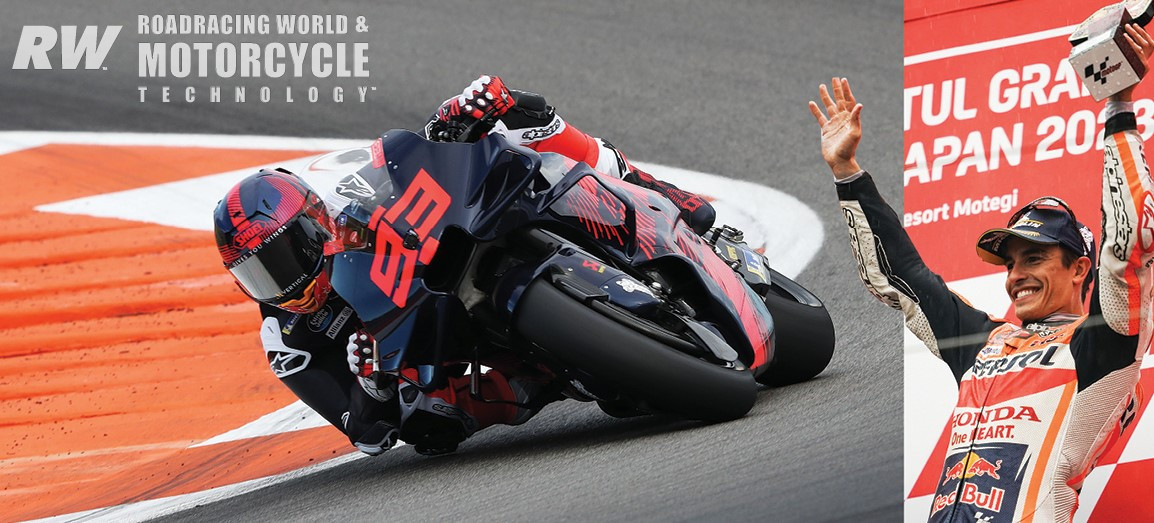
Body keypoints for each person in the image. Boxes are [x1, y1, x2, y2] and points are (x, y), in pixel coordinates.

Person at [213, 75, 715, 457]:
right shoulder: (287, 338)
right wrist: (372, 382)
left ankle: (662, 196)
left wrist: (451, 126)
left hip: (443, 253)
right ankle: (556, 369)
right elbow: (365, 433)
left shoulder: (340, 193)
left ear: (312, 226)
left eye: (283, 258)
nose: (281, 284)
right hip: (440, 348)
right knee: (430, 424)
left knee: (526, 124)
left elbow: (404, 158)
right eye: (257, 273)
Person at [808, 24, 1154, 522]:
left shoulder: (1101, 348)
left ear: (1081, 267)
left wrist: (1118, 108)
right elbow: (901, 278)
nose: (1016, 276)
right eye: (1011, 263)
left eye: (1034, 258)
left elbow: (1130, 246)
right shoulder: (985, 343)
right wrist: (848, 173)